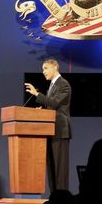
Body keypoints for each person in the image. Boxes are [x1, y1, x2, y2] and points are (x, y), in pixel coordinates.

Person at [25, 58, 72, 192]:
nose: (43, 72)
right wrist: (43, 112)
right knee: (51, 168)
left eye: (45, 68)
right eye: (42, 69)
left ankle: (62, 200)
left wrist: (36, 94)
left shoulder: (63, 84)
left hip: (60, 131)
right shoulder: (52, 85)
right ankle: (53, 198)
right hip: (50, 130)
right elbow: (52, 107)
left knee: (59, 170)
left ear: (55, 67)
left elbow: (55, 103)